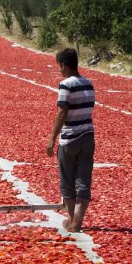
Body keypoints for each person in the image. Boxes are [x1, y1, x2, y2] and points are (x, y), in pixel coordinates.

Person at [47, 48, 96, 233]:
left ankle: (71, 220)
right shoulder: (89, 84)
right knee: (83, 181)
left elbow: (62, 111)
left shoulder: (65, 85)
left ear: (63, 65)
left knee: (67, 181)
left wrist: (52, 137)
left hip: (70, 139)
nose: (59, 70)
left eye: (58, 66)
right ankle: (78, 220)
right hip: (88, 137)